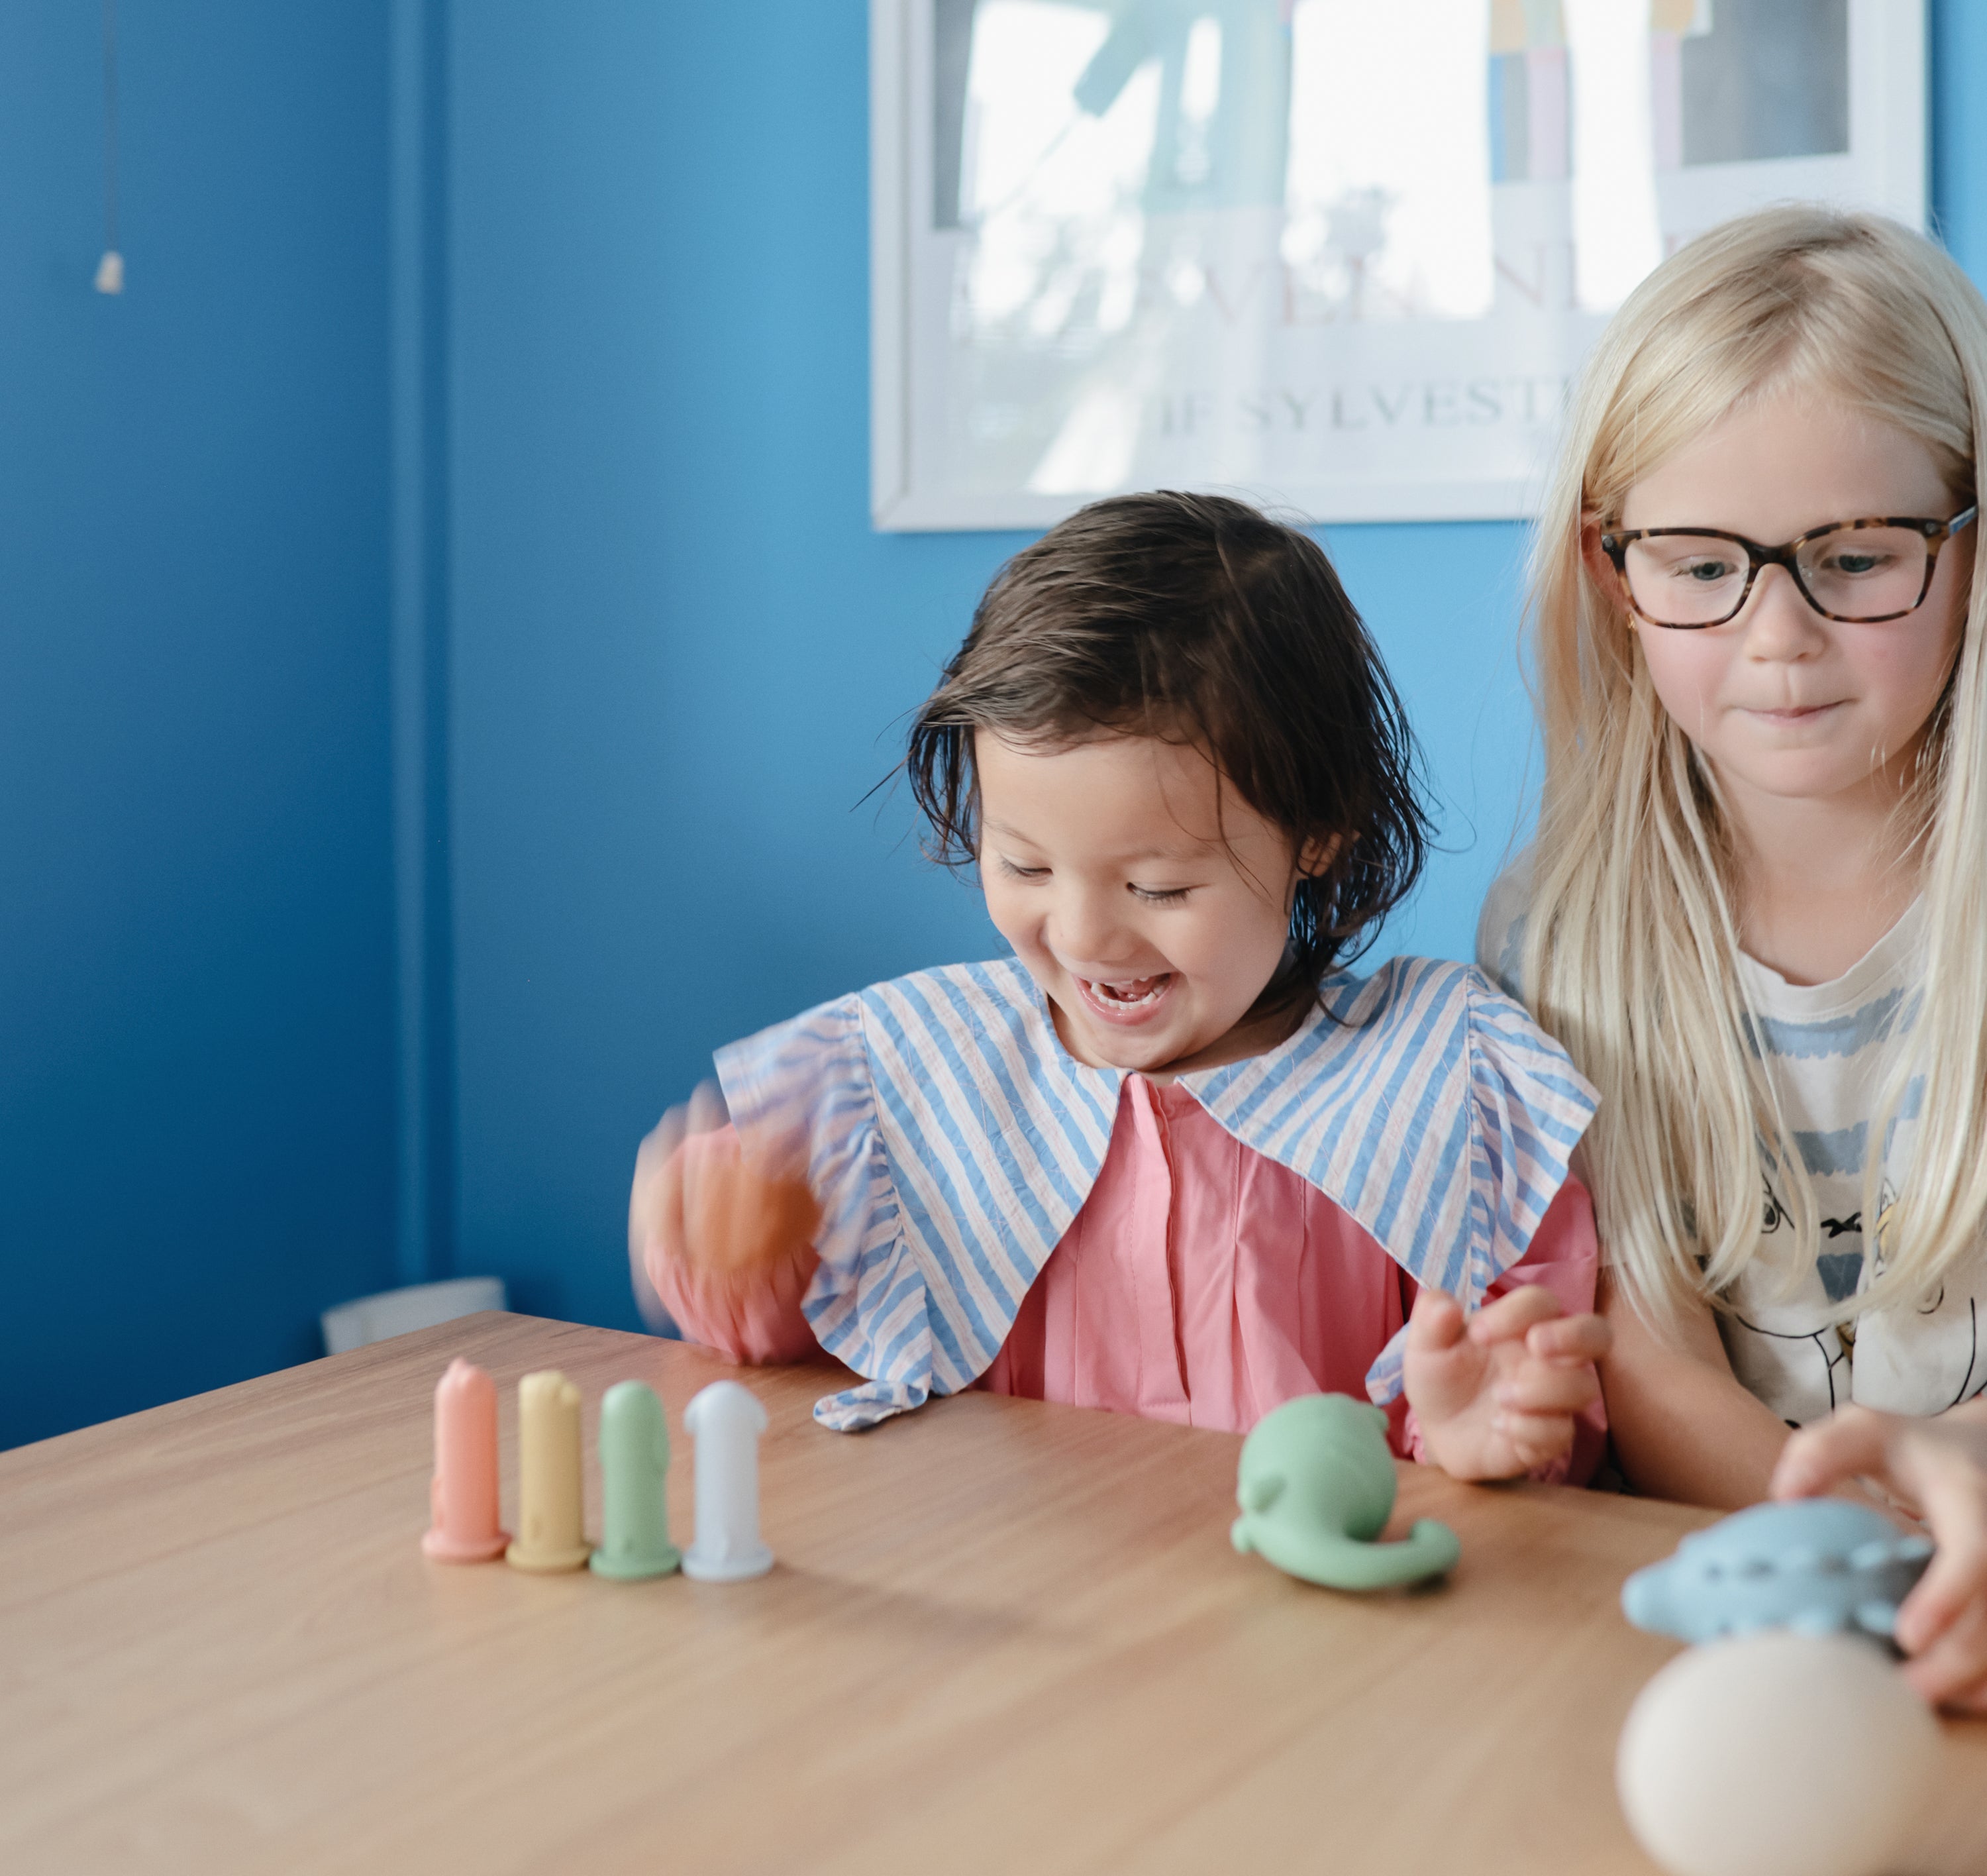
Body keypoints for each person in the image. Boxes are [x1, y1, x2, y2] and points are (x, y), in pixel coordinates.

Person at [629, 492, 1609, 1482]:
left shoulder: (1443, 1075)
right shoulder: (906, 1076)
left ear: (1319, 834)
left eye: (1158, 886)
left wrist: (1479, 1434)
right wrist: (732, 1257)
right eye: (1023, 867)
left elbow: (1532, 1396)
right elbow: (799, 1354)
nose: (1086, 933)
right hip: (1025, 1605)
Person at [1485, 205, 1987, 1697]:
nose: (1778, 635)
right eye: (1702, 567)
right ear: (1609, 567)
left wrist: (1942, 1489)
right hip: (1728, 1612)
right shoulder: (1566, 936)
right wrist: (1845, 1532)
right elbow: (1648, 1359)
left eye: (1854, 557)